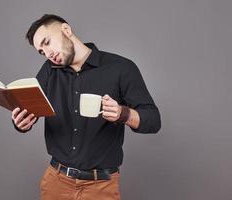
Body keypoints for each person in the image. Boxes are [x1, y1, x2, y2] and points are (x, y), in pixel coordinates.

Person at [11, 14, 161, 200]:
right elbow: (29, 107)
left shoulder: (121, 68)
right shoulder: (49, 70)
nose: (48, 54)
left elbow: (153, 120)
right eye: (42, 51)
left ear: (66, 30)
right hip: (56, 182)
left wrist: (123, 113)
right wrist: (20, 123)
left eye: (47, 42)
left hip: (101, 187)